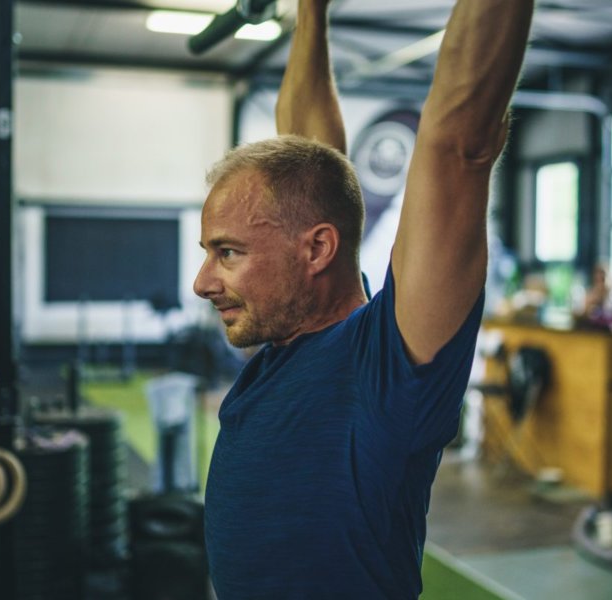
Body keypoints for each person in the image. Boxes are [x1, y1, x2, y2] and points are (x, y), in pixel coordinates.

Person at [193, 0, 533, 597]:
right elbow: (308, 154)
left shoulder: (387, 364)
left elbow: (459, 145)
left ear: (318, 249)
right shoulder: (289, 346)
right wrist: (310, 9)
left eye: (227, 253)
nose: (203, 282)